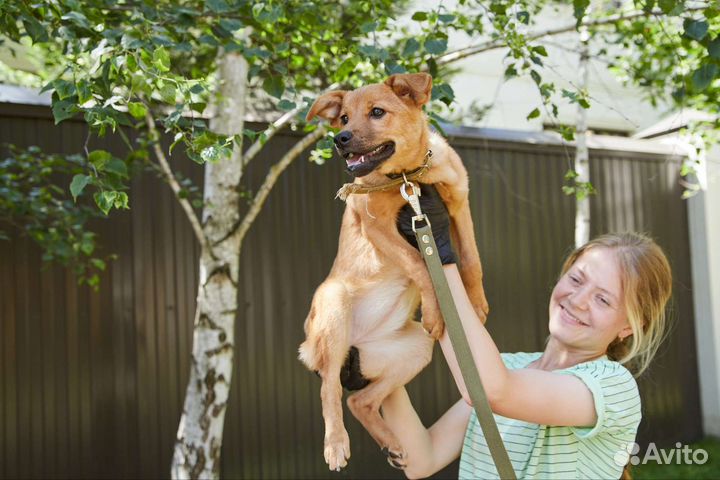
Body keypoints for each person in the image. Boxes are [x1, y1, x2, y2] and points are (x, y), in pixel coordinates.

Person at [377, 185, 672, 479]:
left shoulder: (613, 387)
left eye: (603, 299)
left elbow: (491, 391)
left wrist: (439, 257)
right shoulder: (507, 367)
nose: (578, 300)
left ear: (628, 327)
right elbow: (422, 460)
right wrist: (380, 376)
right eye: (577, 279)